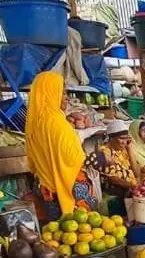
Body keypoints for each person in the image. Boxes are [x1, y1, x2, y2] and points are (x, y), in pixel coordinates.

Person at [25, 71, 95, 218]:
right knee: (78, 233)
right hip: (64, 191)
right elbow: (72, 159)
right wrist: (97, 158)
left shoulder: (35, 122)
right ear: (50, 93)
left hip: (47, 190)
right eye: (62, 93)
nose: (66, 97)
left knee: (57, 234)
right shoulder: (56, 122)